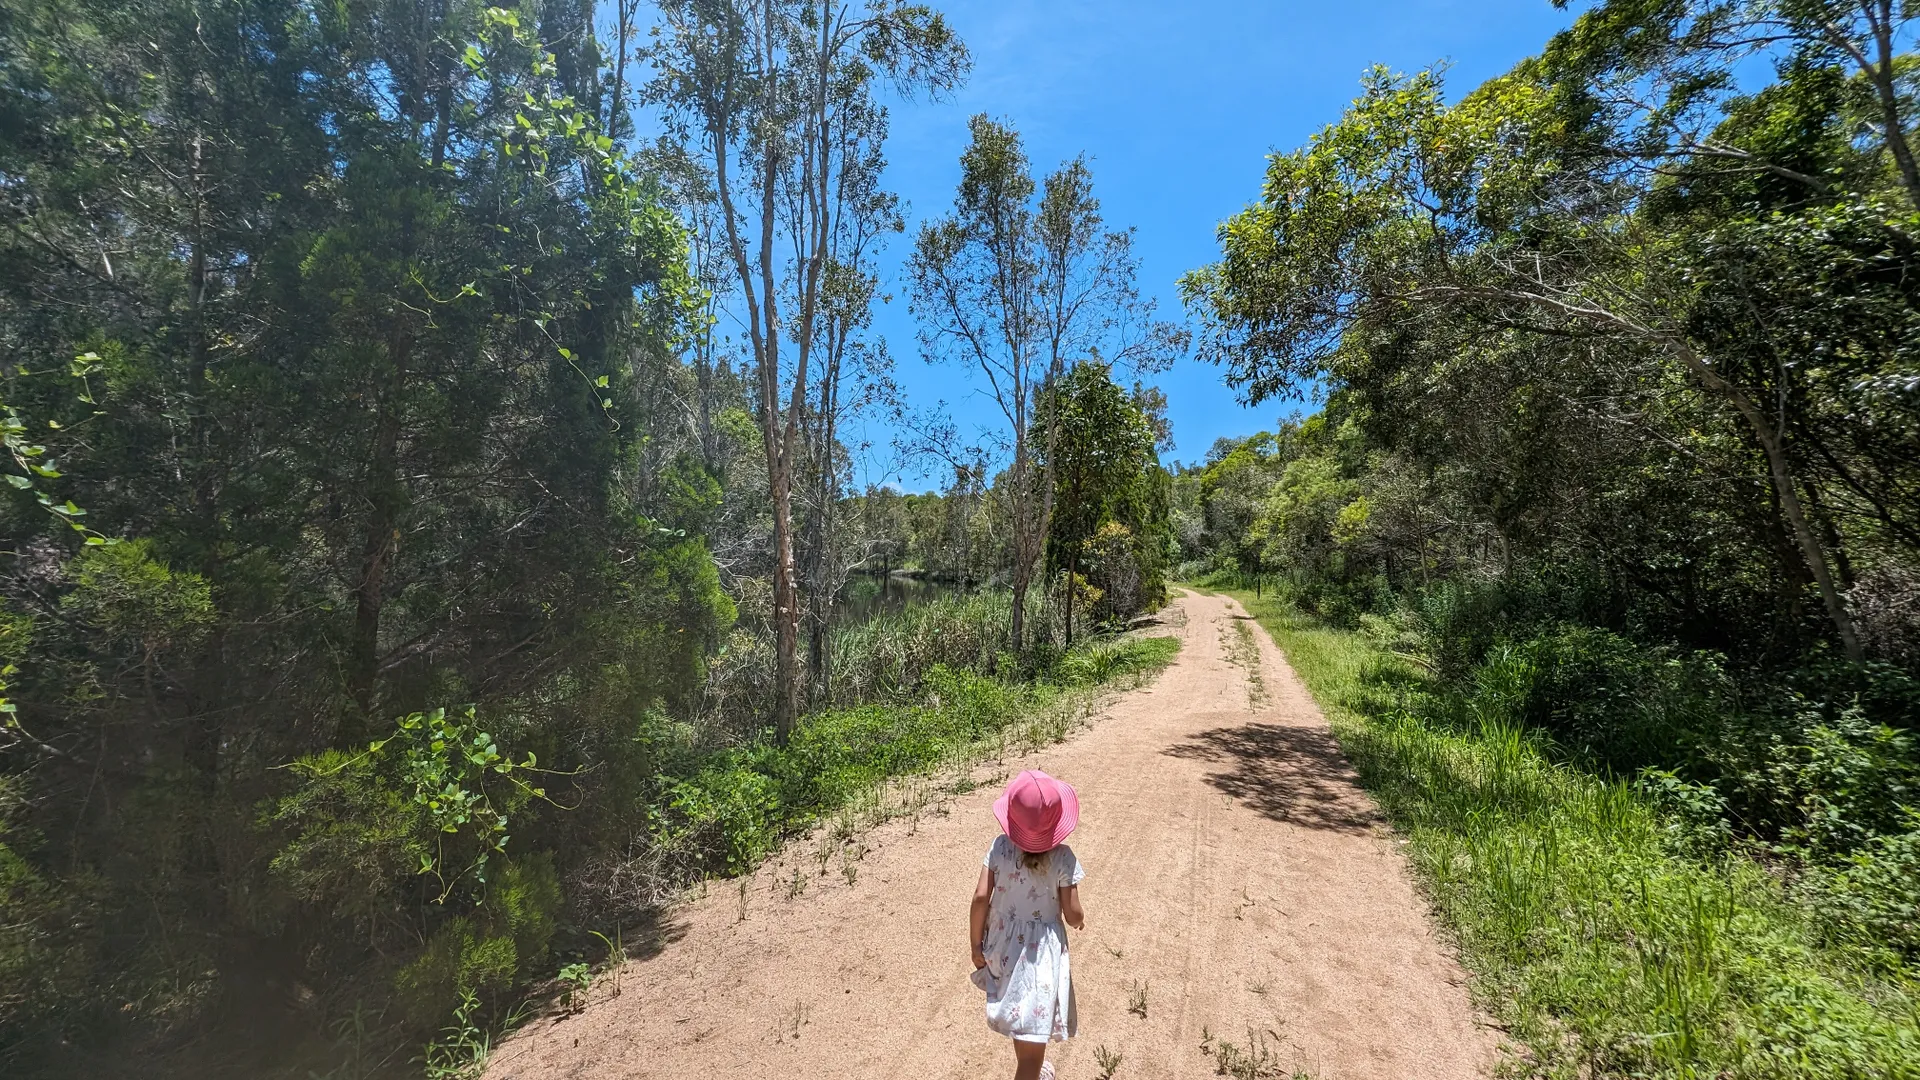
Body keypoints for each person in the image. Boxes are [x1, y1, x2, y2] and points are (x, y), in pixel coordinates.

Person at [968, 769, 1086, 1080]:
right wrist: (1080, 920)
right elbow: (1072, 914)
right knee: (1033, 1044)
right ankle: (1030, 1071)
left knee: (1023, 1016)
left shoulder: (999, 847)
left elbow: (981, 897)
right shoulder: (1063, 858)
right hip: (1040, 955)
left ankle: (1032, 1070)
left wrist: (975, 944)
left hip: (1002, 945)